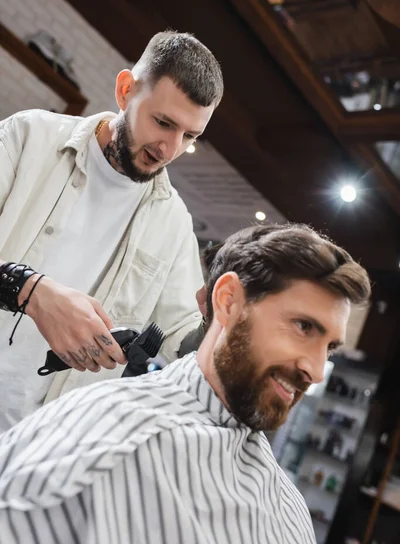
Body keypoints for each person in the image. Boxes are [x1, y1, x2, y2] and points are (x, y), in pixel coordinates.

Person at [0, 223, 371, 544]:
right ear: (227, 302)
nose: (317, 371)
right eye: (303, 327)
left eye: (330, 348)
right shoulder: (100, 444)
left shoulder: (289, 507)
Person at [0, 30, 223, 432]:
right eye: (163, 122)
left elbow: (184, 342)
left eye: (189, 136)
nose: (170, 149)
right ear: (125, 91)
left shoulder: (172, 223)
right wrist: (28, 289)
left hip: (32, 450)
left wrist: (223, 327)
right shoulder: (28, 138)